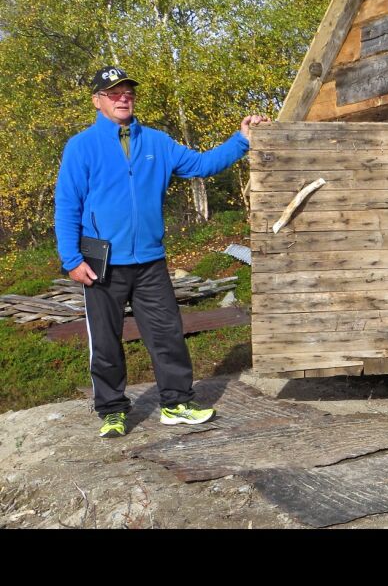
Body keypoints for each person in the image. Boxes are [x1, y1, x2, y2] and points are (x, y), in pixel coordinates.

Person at [54, 66, 270, 438]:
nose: (123, 98)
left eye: (128, 92)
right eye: (113, 93)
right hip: (101, 262)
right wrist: (71, 260)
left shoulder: (156, 142)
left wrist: (241, 140)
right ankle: (112, 410)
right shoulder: (81, 146)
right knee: (105, 341)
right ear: (98, 101)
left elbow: (202, 165)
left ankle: (176, 404)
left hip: (150, 260)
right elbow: (67, 205)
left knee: (168, 335)